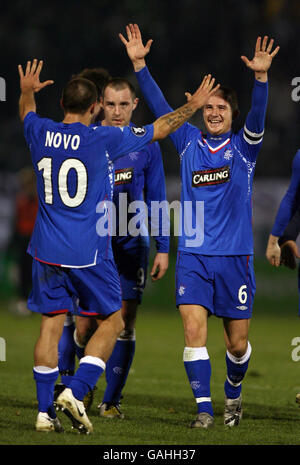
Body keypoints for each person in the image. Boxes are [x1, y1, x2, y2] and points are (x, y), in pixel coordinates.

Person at [18, 58, 219, 434]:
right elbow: (160, 128)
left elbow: (27, 111)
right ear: (95, 108)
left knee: (49, 325)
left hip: (45, 250)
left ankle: (45, 412)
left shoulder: (39, 131)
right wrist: (193, 106)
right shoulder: (103, 138)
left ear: (61, 103)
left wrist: (27, 90)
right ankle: (77, 391)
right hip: (88, 250)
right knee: (113, 321)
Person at [120, 23, 279, 428]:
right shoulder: (187, 141)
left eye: (221, 108)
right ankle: (205, 411)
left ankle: (233, 392)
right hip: (193, 256)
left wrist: (261, 78)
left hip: (235, 259)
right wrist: (140, 66)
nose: (213, 113)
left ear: (233, 116)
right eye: (208, 107)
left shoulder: (244, 149)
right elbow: (159, 108)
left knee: (237, 345)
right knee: (193, 331)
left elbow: (258, 113)